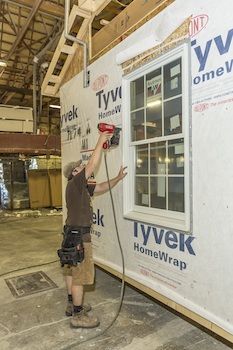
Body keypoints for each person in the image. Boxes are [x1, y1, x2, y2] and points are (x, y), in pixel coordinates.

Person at [62, 131, 127, 329]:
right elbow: (91, 165)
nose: (85, 171)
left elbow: (101, 187)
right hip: (80, 236)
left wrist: (117, 178)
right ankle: (78, 315)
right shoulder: (75, 183)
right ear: (75, 173)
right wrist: (100, 140)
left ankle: (71, 303)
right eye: (80, 169)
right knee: (81, 275)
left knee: (71, 271)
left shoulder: (79, 189)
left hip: (70, 234)